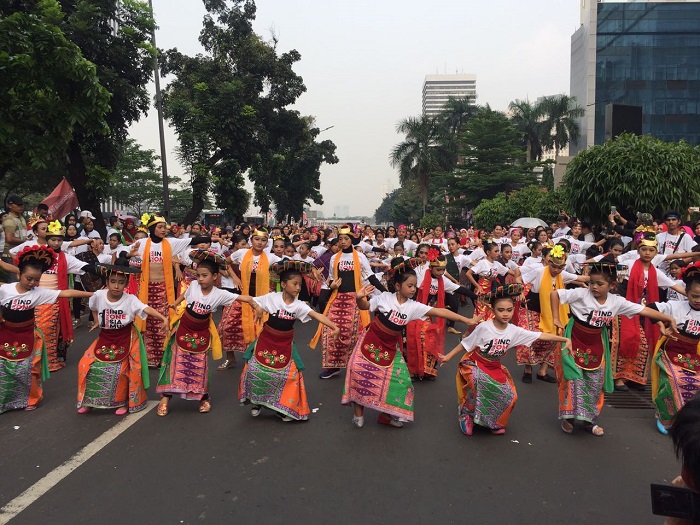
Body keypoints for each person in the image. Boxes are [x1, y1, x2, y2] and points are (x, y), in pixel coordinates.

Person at [343, 259, 478, 428]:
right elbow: (364, 306)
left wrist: (467, 320)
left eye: (415, 285)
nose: (414, 289)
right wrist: (359, 298)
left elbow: (440, 312)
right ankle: (358, 413)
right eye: (410, 285)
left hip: (391, 348)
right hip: (370, 342)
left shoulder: (414, 307)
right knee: (360, 374)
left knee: (401, 382)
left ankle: (386, 414)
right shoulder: (384, 298)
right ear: (398, 286)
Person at [551, 262, 678, 437]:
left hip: (596, 344)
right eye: (591, 283)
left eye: (600, 284)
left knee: (595, 383)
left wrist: (667, 319)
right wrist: (556, 318)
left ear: (612, 286)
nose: (594, 287)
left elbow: (643, 310)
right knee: (573, 380)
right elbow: (555, 294)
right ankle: (569, 418)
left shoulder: (616, 302)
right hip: (575, 340)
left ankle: (588, 420)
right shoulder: (581, 294)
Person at [439, 284, 571, 436]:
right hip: (475, 363)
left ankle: (491, 420)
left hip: (494, 366)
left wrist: (564, 339)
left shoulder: (514, 331)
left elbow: (539, 335)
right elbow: (466, 344)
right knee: (476, 383)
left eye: (509, 310)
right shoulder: (484, 327)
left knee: (510, 396)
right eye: (501, 310)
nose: (505, 314)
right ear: (493, 310)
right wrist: (448, 356)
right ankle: (466, 415)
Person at [157, 250, 258, 416]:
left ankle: (203, 397)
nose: (200, 279)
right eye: (198, 275)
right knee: (175, 364)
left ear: (215, 276)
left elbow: (245, 298)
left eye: (204, 275)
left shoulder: (220, 294)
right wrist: (175, 303)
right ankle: (165, 398)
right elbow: (185, 294)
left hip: (201, 334)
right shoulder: (194, 285)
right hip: (183, 329)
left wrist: (257, 307)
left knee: (199, 367)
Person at [239, 261, 339, 422]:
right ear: (284, 284)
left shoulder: (299, 306)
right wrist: (257, 308)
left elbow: (317, 315)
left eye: (300, 284)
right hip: (266, 341)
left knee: (289, 376)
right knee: (255, 371)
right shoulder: (271, 298)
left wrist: (334, 327)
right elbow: (250, 299)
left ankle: (282, 407)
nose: (298, 288)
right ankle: (256, 403)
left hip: (285, 344)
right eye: (295, 284)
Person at [0, 246, 92, 413]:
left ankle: (30, 399)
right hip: (5, 334)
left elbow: (65, 293)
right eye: (29, 278)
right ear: (19, 274)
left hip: (28, 335)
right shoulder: (6, 290)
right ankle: (5, 401)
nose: (32, 283)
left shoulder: (39, 293)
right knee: (4, 368)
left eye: (36, 280)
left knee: (28, 369)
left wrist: (93, 295)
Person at [76, 257, 168, 415]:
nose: (116, 286)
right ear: (107, 281)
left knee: (123, 370)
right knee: (85, 365)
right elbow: (93, 307)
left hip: (126, 337)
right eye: (113, 281)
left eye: (120, 282)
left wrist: (163, 318)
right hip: (105, 337)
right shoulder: (98, 295)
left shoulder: (131, 299)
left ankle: (124, 402)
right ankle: (89, 401)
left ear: (126, 285)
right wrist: (97, 320)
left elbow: (146, 309)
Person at [128, 213, 213, 367]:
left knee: (163, 321)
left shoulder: (171, 243)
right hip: (146, 290)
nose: (163, 230)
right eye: (159, 227)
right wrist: (129, 254)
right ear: (152, 228)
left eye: (164, 227)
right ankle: (149, 358)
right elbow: (124, 254)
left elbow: (194, 240)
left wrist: (210, 238)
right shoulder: (142, 243)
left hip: (163, 290)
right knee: (147, 323)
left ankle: (163, 358)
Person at [611, 231, 687, 391]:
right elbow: (616, 284)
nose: (647, 253)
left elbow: (676, 287)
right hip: (624, 309)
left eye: (651, 250)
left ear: (656, 253)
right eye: (644, 249)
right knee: (623, 341)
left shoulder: (656, 272)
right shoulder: (628, 265)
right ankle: (618, 378)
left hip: (644, 311)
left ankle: (635, 378)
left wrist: (695, 296)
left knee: (643, 343)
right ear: (638, 250)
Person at [310, 225, 386, 379]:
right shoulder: (334, 258)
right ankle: (333, 366)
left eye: (346, 239)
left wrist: (386, 293)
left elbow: (370, 277)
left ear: (352, 240)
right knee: (331, 332)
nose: (343, 242)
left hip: (355, 300)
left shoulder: (359, 257)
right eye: (340, 239)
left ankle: (358, 365)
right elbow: (331, 279)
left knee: (357, 334)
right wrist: (331, 286)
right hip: (338, 299)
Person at [518, 245, 589, 384]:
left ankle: (542, 371)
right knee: (529, 337)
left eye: (560, 267)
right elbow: (519, 278)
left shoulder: (562, 275)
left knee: (554, 338)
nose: (556, 270)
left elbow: (581, 278)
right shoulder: (539, 271)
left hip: (553, 311)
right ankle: (528, 369)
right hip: (533, 307)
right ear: (549, 262)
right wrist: (520, 291)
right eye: (554, 266)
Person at [405, 250, 478, 381]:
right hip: (411, 312)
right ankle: (414, 371)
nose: (440, 273)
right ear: (430, 267)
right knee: (412, 342)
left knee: (429, 341)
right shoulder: (420, 274)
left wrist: (477, 297)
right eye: (438, 269)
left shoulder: (442, 280)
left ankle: (427, 370)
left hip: (428, 314)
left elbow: (460, 289)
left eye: (443, 270)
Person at [216, 227, 281, 370]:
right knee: (226, 327)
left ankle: (257, 360)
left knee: (260, 331)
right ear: (251, 240)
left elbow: (288, 264)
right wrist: (234, 277)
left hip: (261, 301)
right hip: (242, 298)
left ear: (266, 243)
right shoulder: (241, 253)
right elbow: (222, 262)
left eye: (264, 240)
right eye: (257, 239)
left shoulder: (271, 258)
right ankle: (231, 358)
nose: (260, 243)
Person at [651, 262, 700, 434]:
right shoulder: (674, 306)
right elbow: (649, 309)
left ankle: (687, 421)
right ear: (686, 293)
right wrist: (661, 325)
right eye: (694, 296)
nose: (698, 300)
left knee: (696, 384)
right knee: (674, 381)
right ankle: (665, 416)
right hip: (670, 352)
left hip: (693, 356)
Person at [2, 195, 27, 282]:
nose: (21, 207)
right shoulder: (10, 220)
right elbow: (9, 239)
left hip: (19, 253)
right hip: (10, 255)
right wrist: (26, 242)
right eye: (18, 205)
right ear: (10, 205)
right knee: (13, 281)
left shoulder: (21, 218)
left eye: (21, 205)